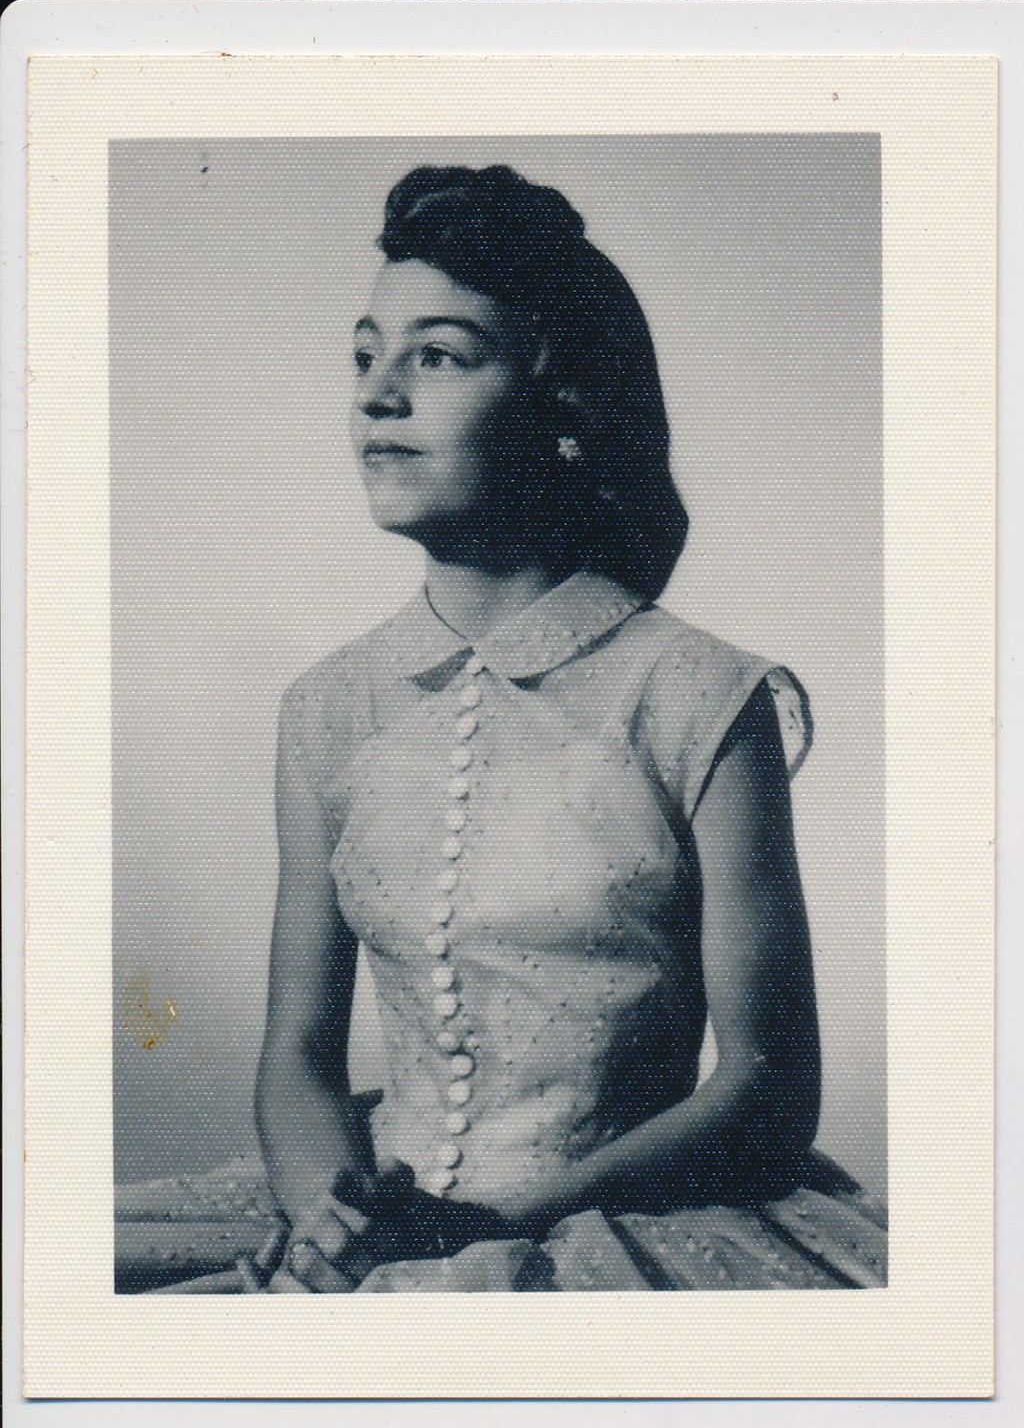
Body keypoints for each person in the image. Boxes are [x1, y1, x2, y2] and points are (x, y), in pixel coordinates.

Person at [253, 164, 887, 1293]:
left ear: (566, 406)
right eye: (365, 356)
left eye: (437, 357)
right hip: (369, 1228)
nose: (377, 396)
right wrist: (324, 1213)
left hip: (615, 1231)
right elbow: (298, 1051)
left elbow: (768, 1086)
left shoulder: (703, 696)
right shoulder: (325, 709)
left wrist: (492, 1222)